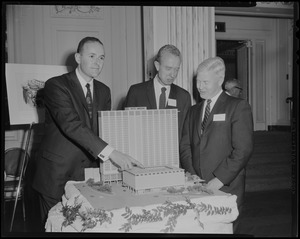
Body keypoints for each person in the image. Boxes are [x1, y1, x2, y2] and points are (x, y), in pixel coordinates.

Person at [32, 36, 143, 227]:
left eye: (101, 58)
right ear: (77, 58)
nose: (97, 63)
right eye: (91, 56)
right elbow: (71, 125)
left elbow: (103, 130)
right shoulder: (56, 85)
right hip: (55, 175)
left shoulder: (104, 90)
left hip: (86, 178)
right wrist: (114, 153)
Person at [179, 56, 253, 234]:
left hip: (226, 187)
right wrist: (194, 177)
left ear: (220, 80)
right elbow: (185, 146)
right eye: (198, 81)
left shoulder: (238, 106)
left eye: (205, 82)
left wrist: (217, 180)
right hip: (197, 187)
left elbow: (243, 150)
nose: (199, 87)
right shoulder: (193, 110)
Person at [123, 44, 191, 142]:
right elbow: (127, 129)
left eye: (176, 69)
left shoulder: (184, 97)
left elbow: (186, 137)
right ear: (157, 66)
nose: (173, 74)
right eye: (168, 68)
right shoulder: (136, 92)